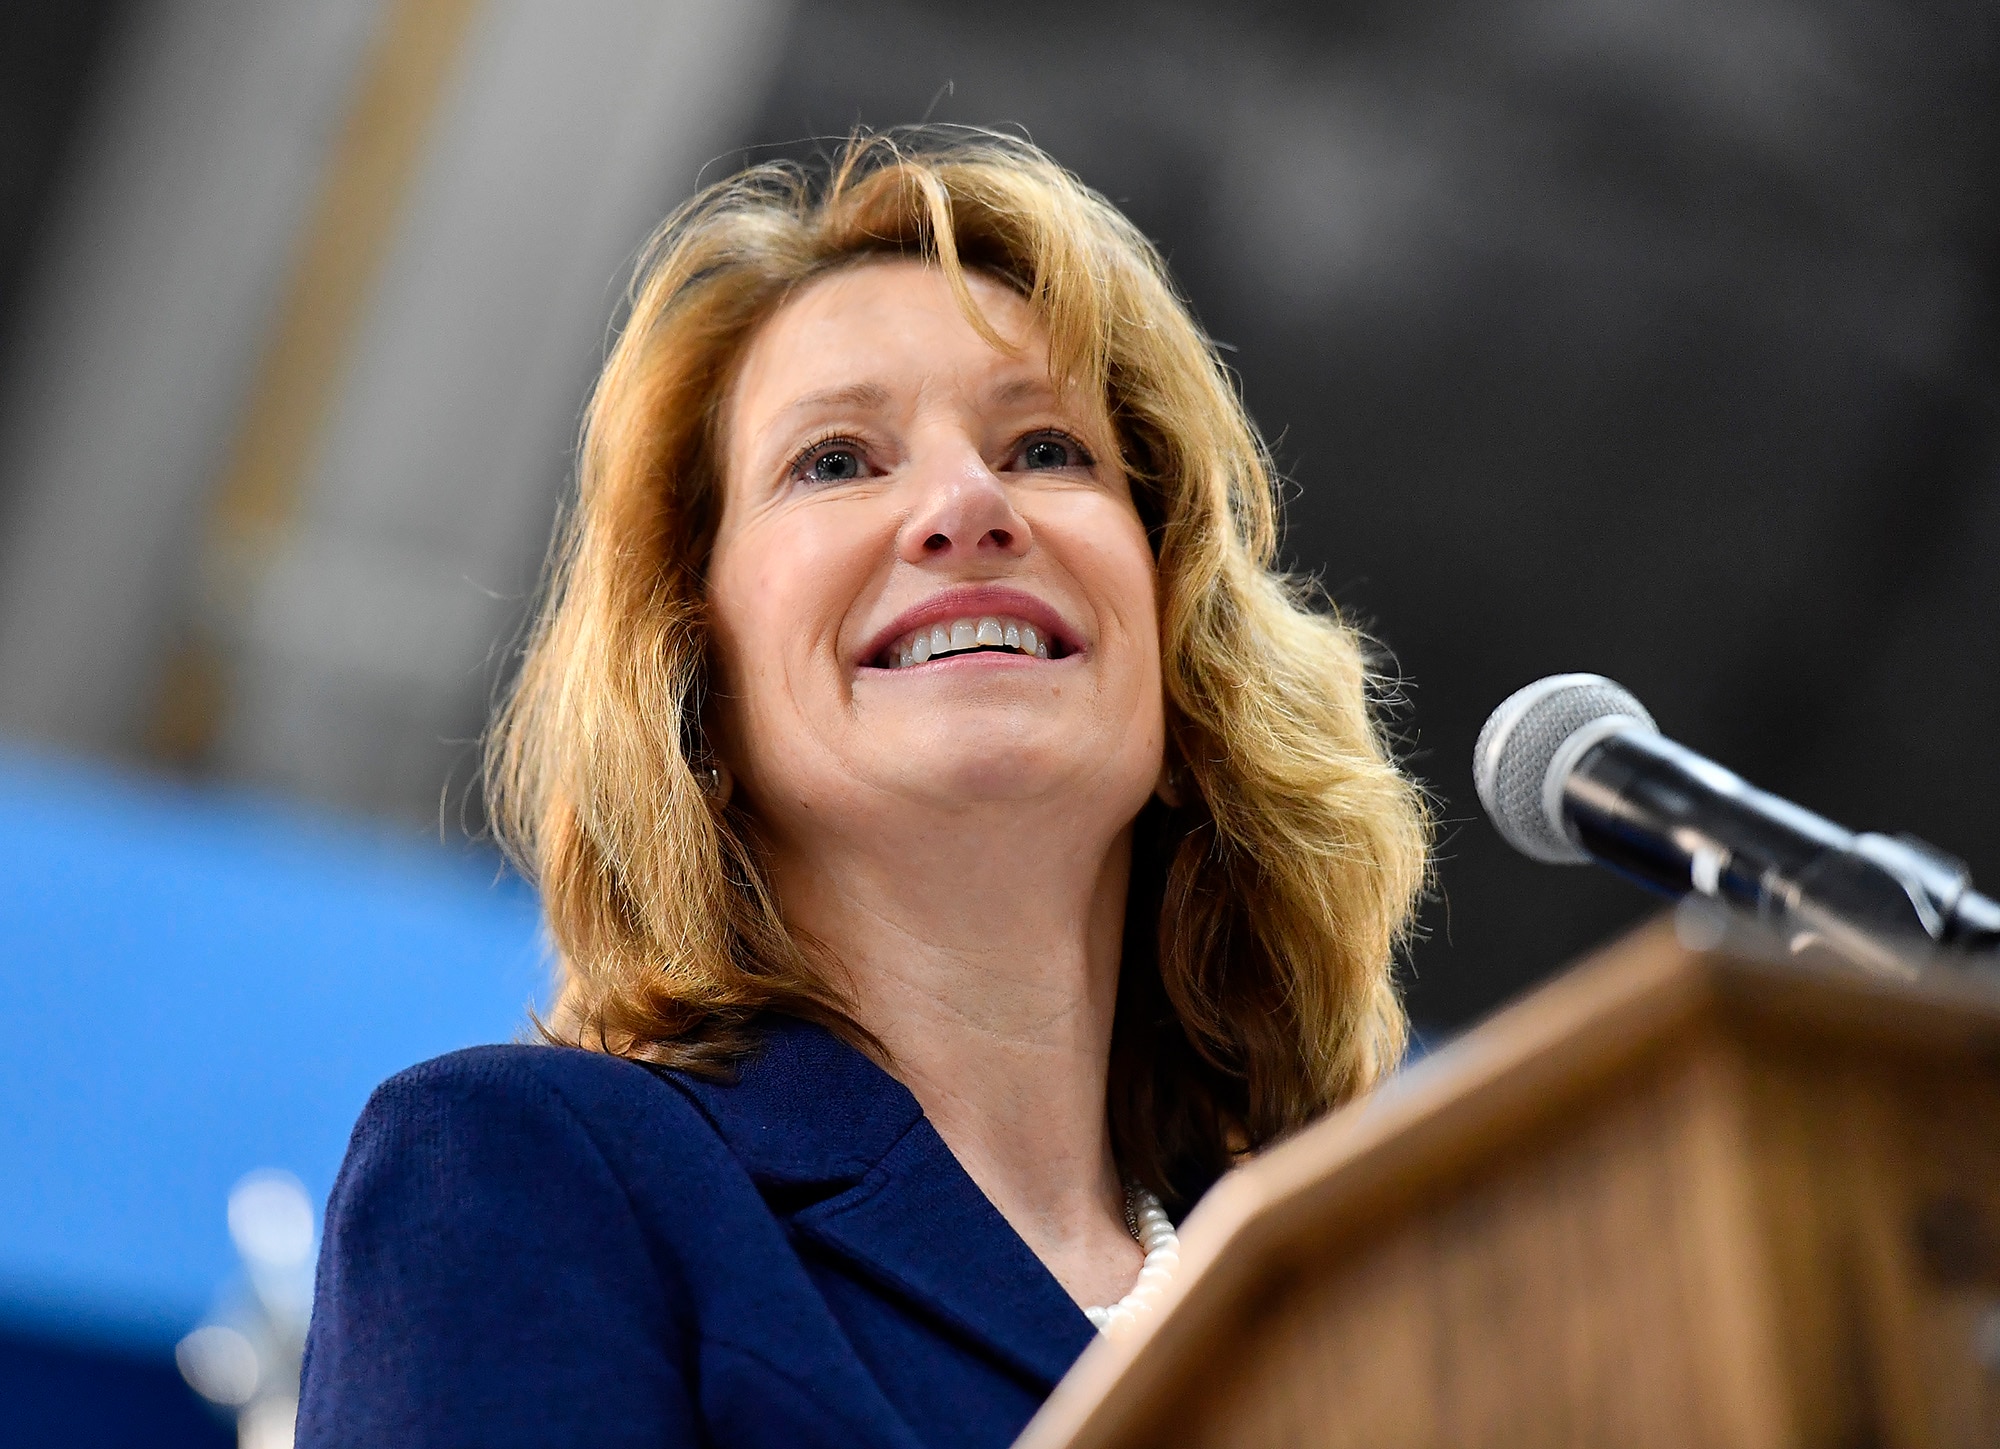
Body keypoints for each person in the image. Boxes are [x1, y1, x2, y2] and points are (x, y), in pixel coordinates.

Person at [296, 130, 1428, 1449]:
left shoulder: (1367, 1292)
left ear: (1184, 674)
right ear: (696, 689)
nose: (965, 505)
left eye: (1049, 447)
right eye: (835, 460)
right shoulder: (530, 1168)